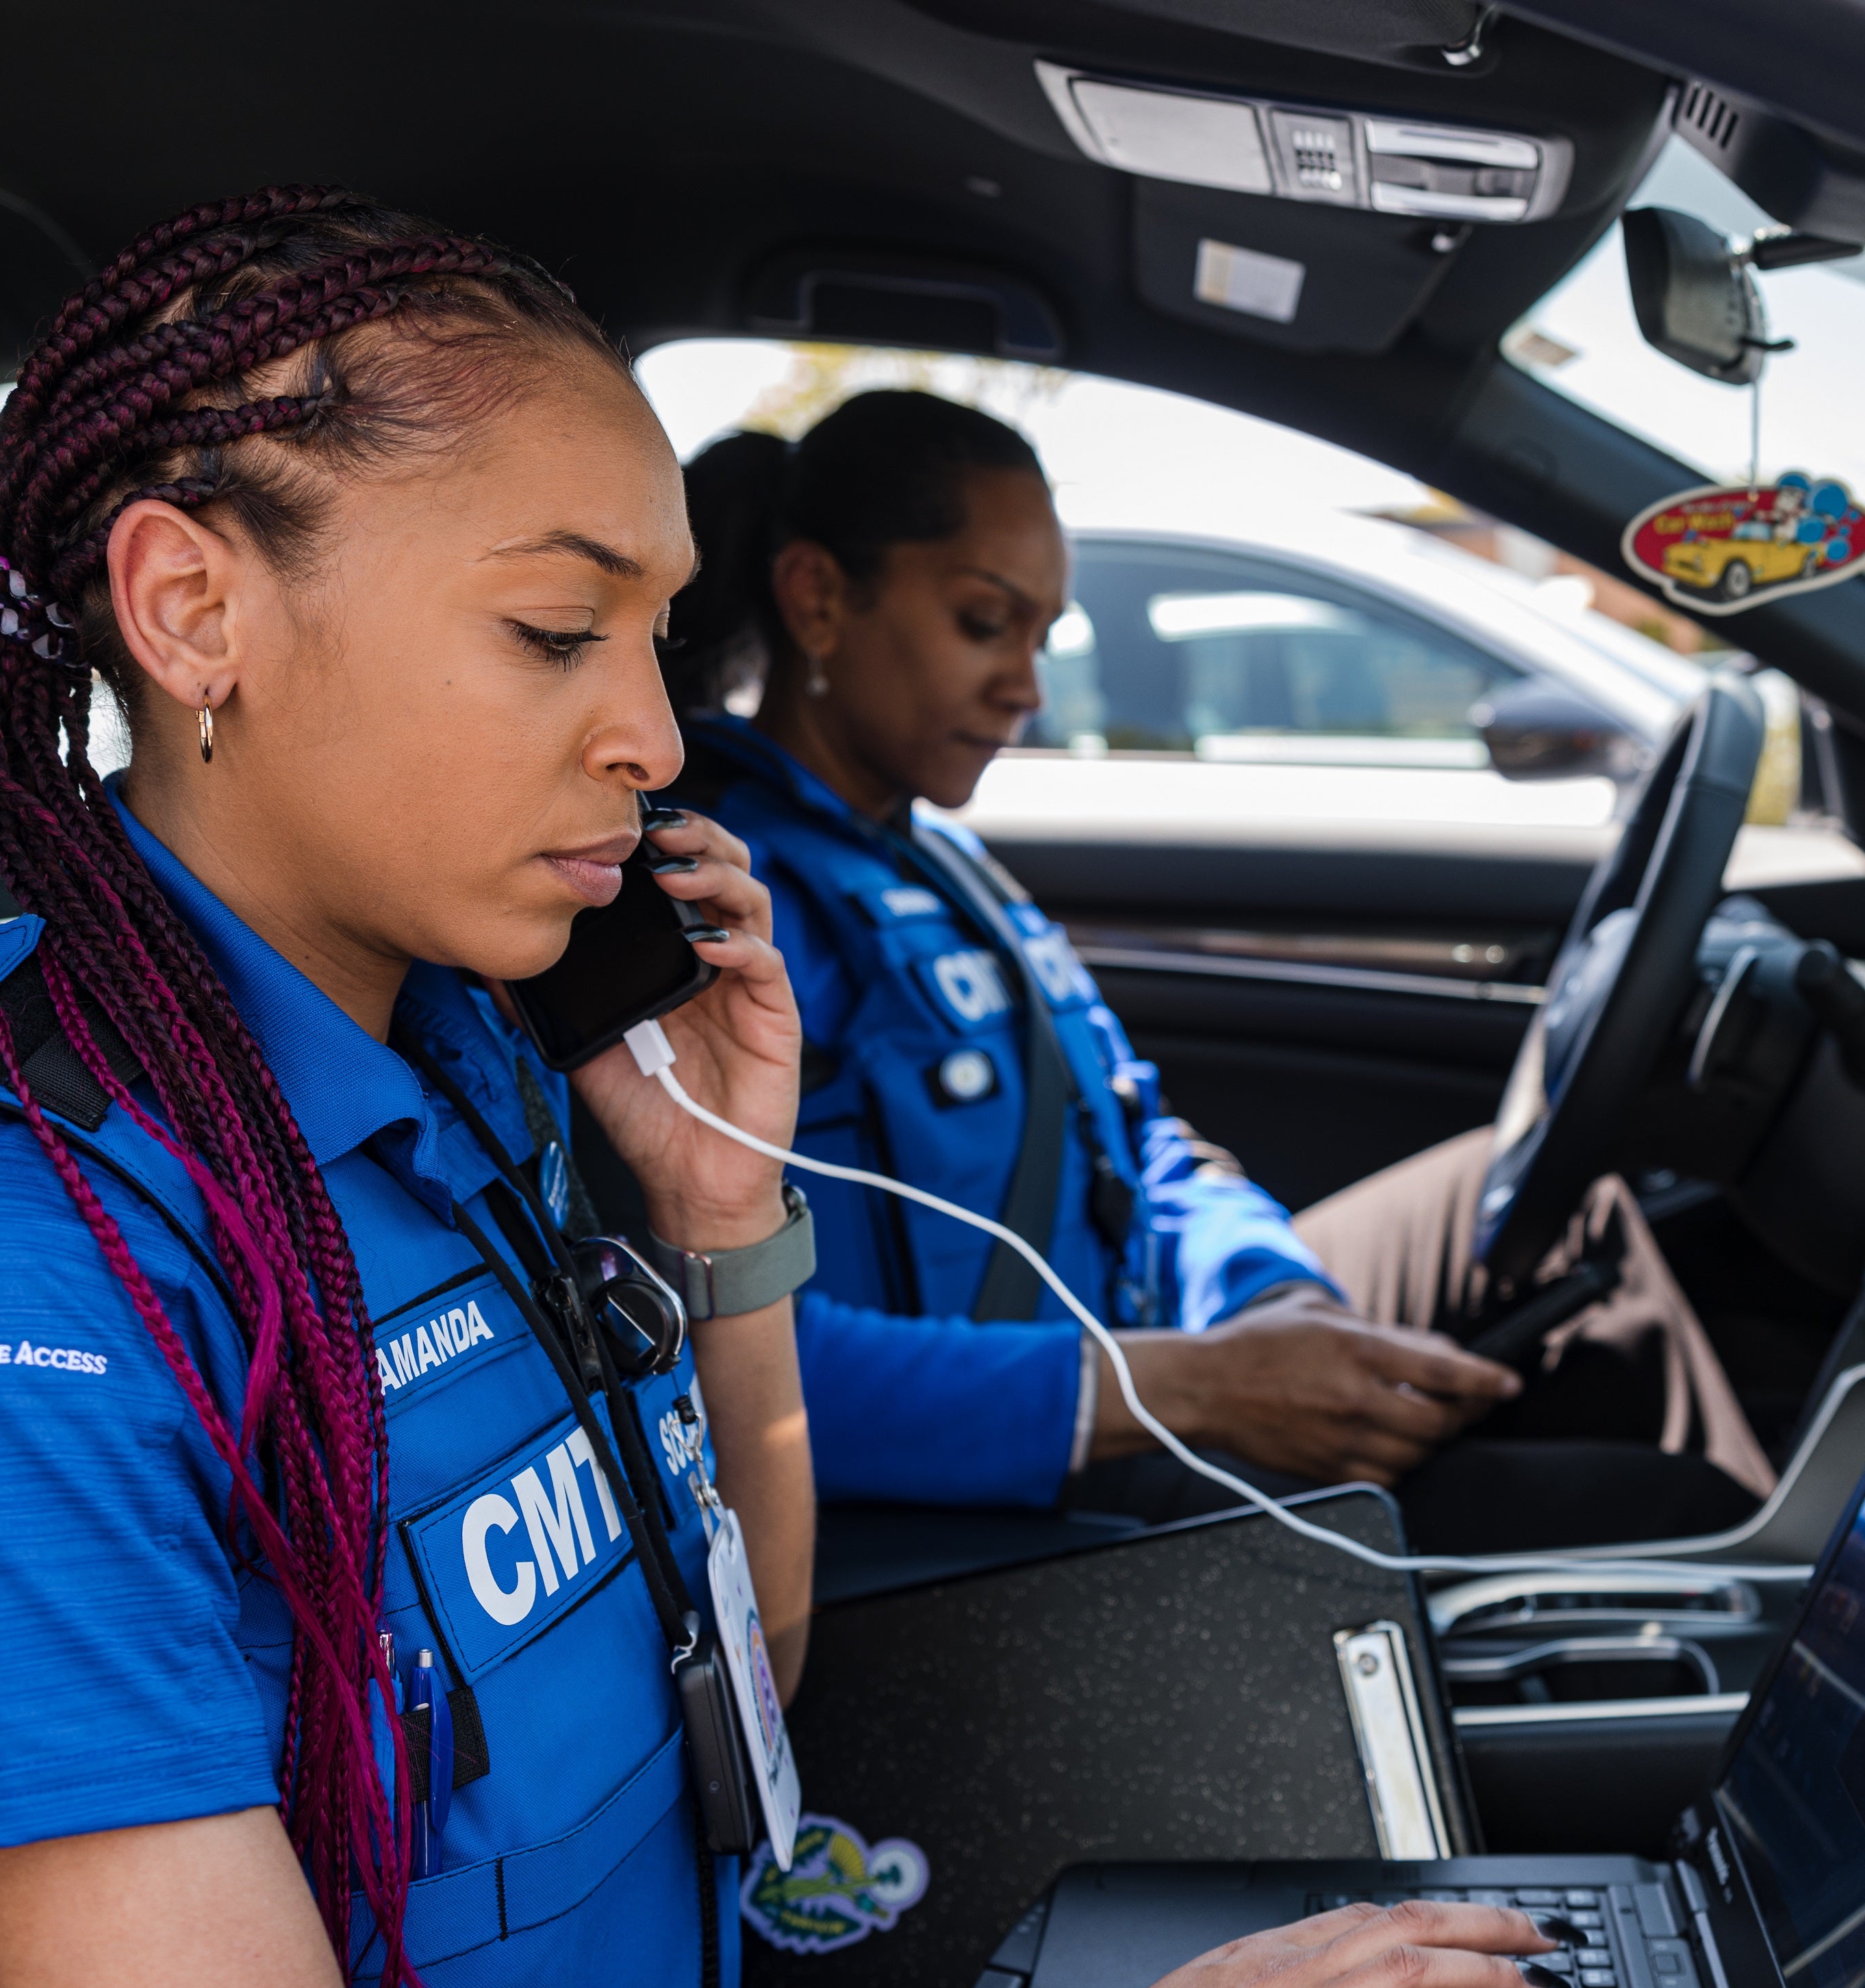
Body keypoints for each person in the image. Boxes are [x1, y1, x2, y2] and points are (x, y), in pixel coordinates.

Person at [0, 193, 1553, 1988]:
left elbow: (737, 1682)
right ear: (191, 609)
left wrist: (722, 1223)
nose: (657, 737)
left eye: (655, 637)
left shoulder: (460, 1078)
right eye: (554, 630)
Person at [655, 394, 1775, 1556]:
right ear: (818, 598)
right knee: (1669, 1513)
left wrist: (1268, 1296)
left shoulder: (941, 859)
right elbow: (731, 1365)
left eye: (1043, 637)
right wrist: (1191, 1390)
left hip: (1159, 1345)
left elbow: (1138, 1134)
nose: (1029, 688)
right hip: (1017, 1500)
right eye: (985, 624)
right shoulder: (723, 906)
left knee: (1576, 1214)